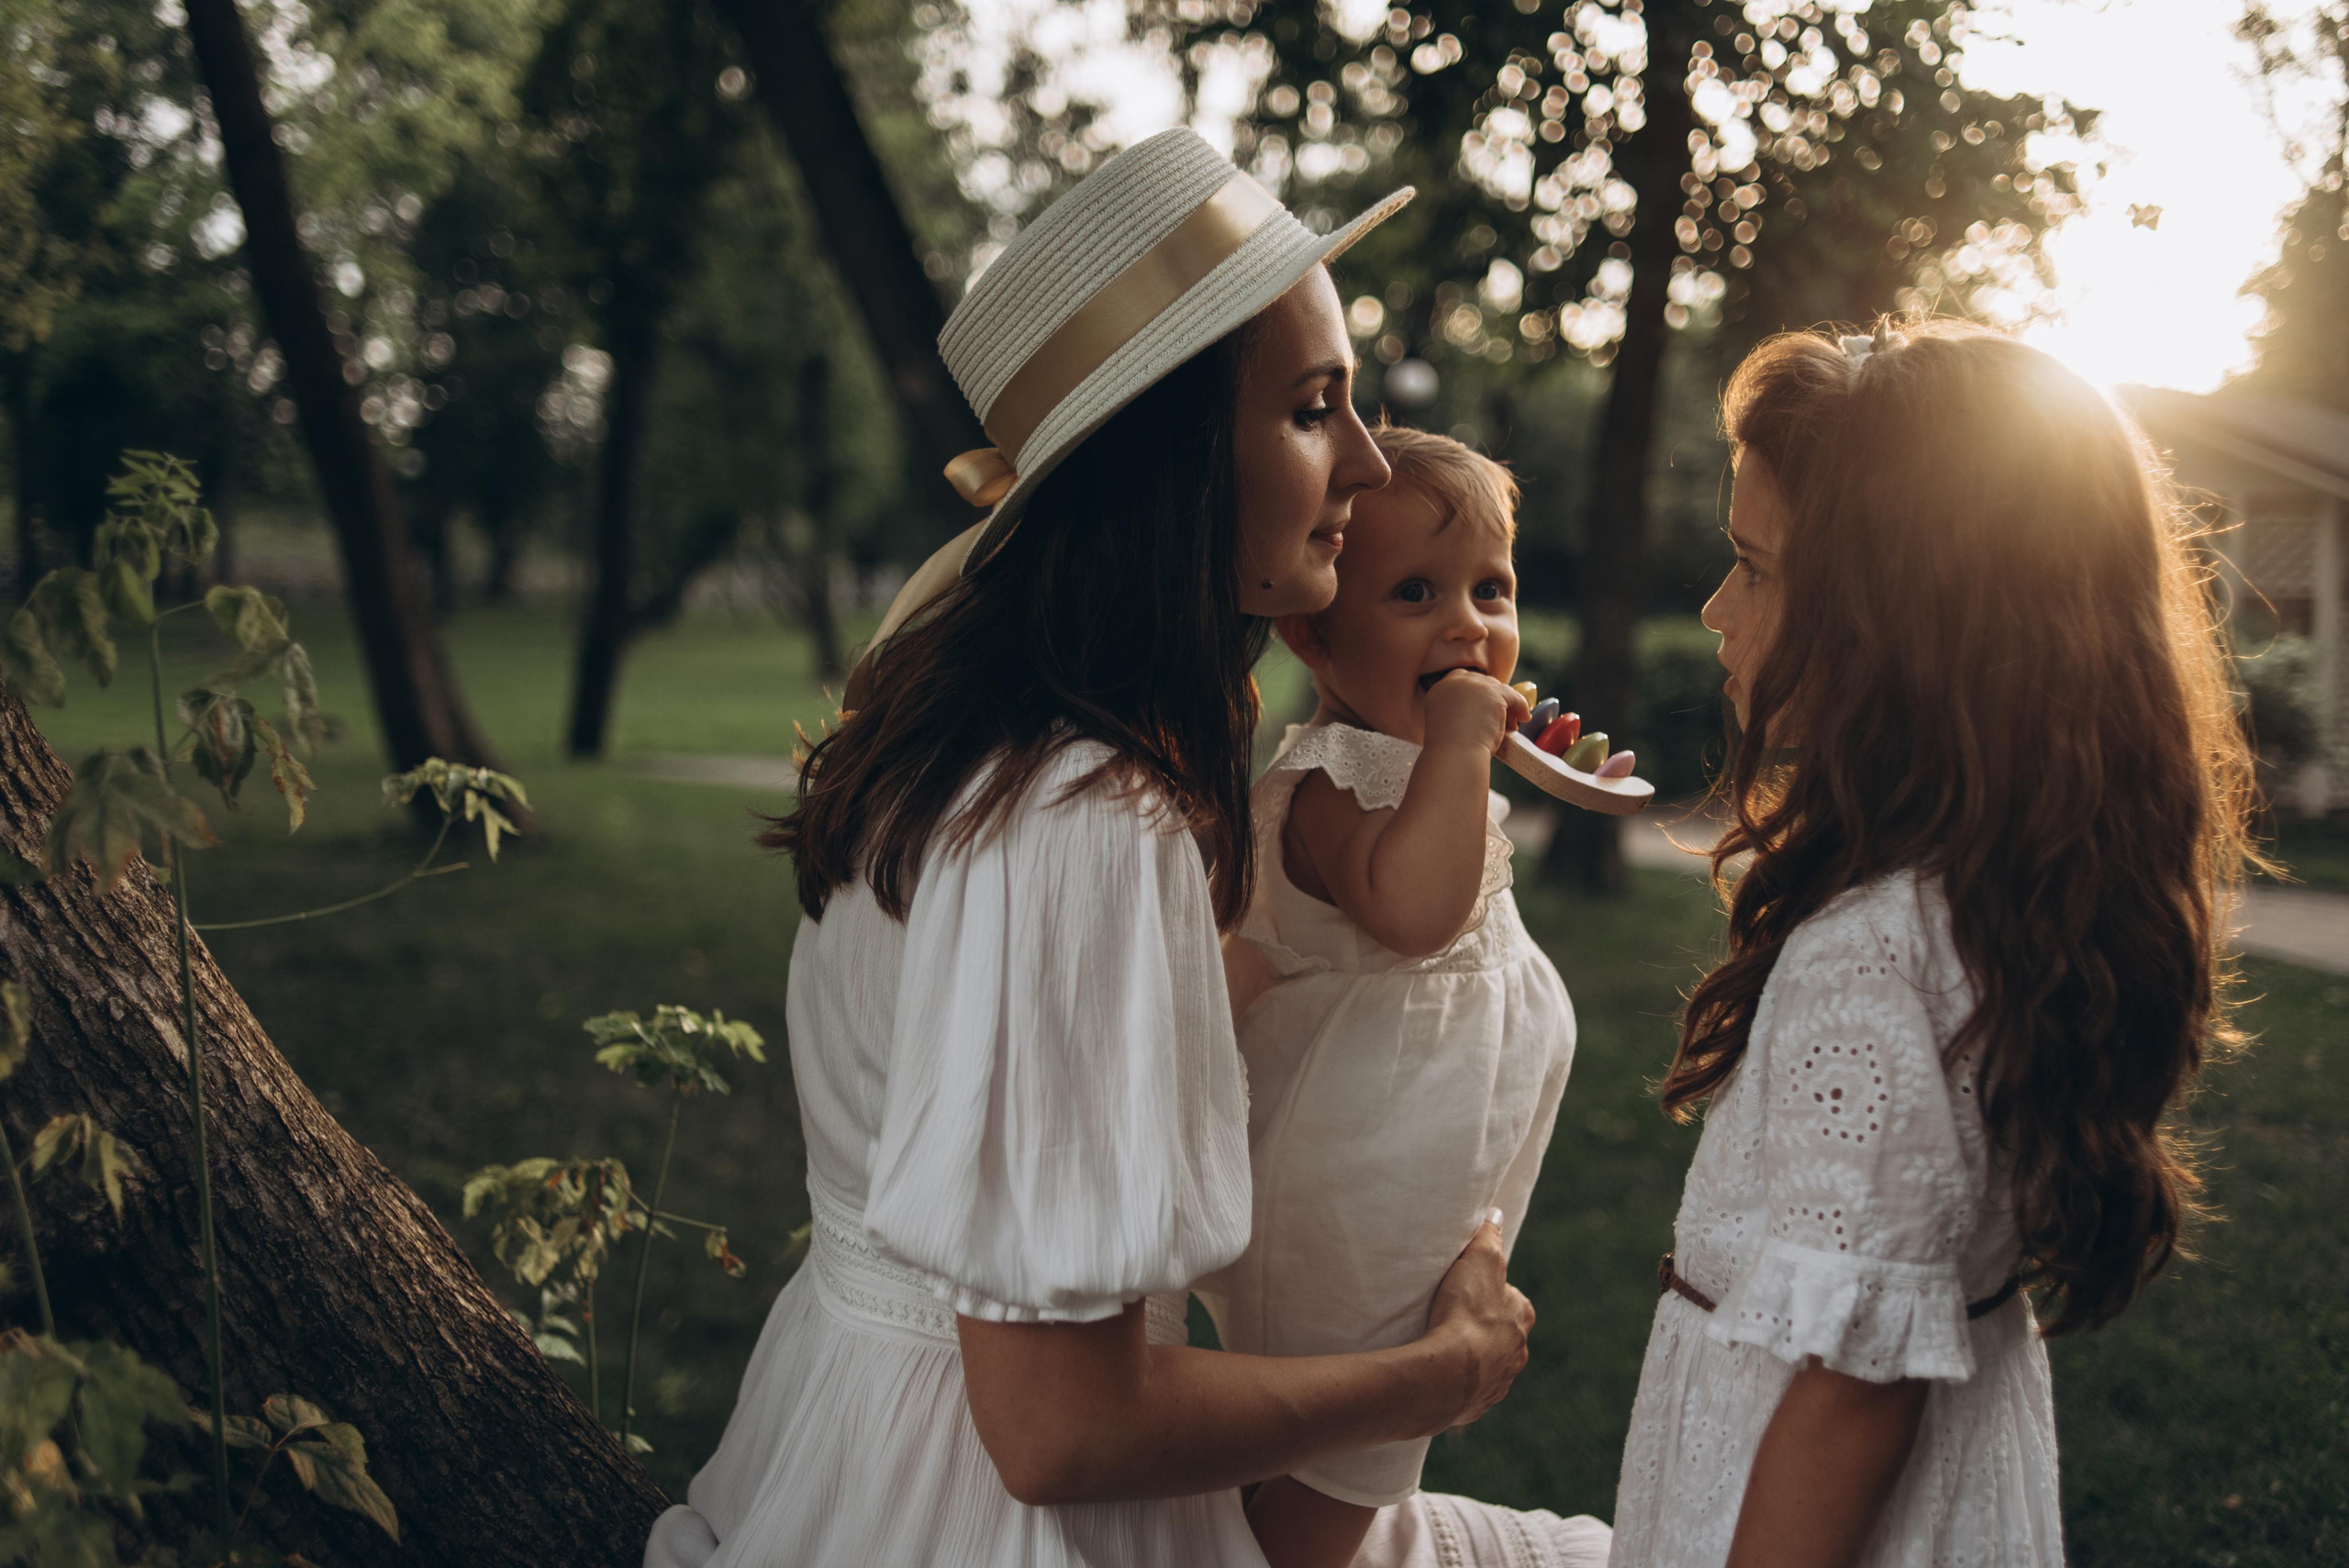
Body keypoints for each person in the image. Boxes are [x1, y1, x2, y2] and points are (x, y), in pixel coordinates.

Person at [645, 128, 1601, 1568]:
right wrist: (1441, 1373)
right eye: (1312, 410)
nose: (1359, 459)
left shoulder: (961, 698)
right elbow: (1059, 1432)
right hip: (992, 1516)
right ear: (1177, 459)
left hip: (857, 1434)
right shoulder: (1086, 819)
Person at [1608, 320, 2259, 1568]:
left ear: (1895, 623)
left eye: (1754, 566)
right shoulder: (1994, 896)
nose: (1714, 609)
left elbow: (1851, 1400)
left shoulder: (1870, 955)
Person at [1199, 427, 1598, 1568]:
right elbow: (1415, 913)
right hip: (1352, 1189)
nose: (1468, 624)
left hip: (1415, 1168)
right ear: (1315, 632)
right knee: (1340, 1463)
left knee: (1320, 1465)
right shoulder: (1333, 778)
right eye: (1416, 592)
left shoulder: (1415, 760)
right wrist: (1465, 745)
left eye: (1491, 587)